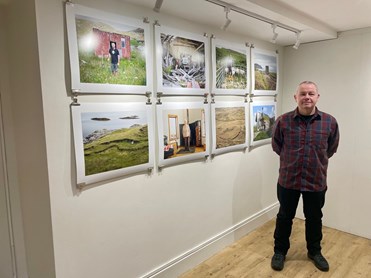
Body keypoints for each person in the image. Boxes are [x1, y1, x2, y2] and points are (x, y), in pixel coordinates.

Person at [270, 81, 339, 272]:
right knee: (285, 216)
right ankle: (280, 252)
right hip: (288, 180)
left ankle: (314, 251)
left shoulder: (329, 122)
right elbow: (277, 146)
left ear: (317, 97)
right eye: (303, 94)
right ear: (296, 97)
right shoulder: (283, 121)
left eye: (311, 93)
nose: (307, 97)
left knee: (314, 217)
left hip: (316, 180)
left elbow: (331, 149)